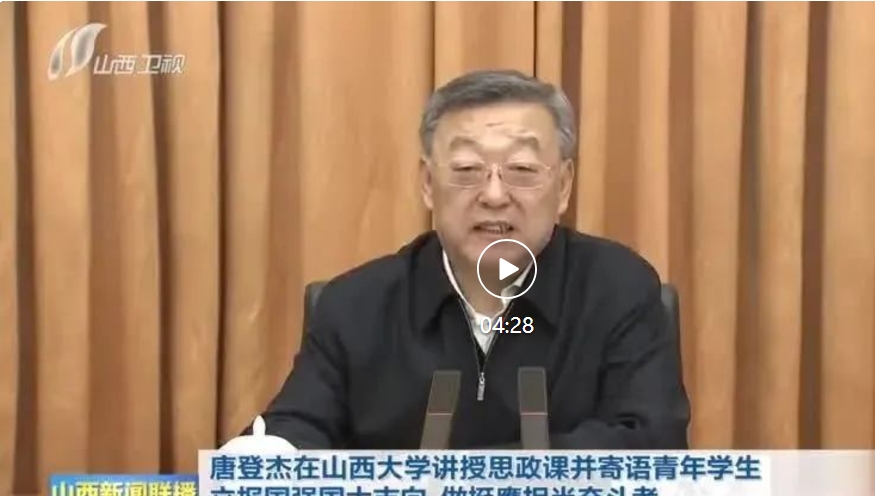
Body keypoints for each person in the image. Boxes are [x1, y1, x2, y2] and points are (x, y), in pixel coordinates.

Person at [244, 69, 690, 450]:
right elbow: (295, 429)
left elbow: (652, 442)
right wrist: (269, 454)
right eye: (466, 170)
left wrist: (466, 484)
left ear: (564, 186)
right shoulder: (357, 306)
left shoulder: (617, 291)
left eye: (522, 170)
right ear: (427, 184)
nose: (494, 195)